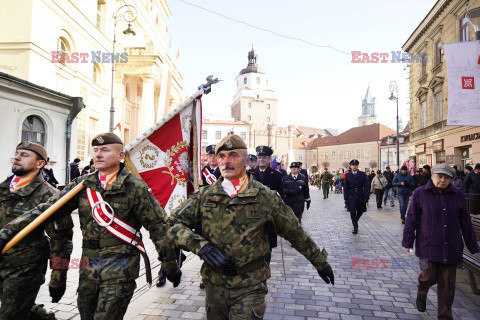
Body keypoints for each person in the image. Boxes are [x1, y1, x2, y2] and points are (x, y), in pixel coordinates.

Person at [0, 133, 181, 320]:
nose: (98, 154)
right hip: (88, 268)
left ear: (120, 156)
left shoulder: (135, 187)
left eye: (105, 150)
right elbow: (45, 211)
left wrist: (169, 262)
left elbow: (158, 227)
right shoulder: (83, 184)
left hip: (120, 268)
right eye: (95, 150)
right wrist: (5, 234)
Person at [167, 135, 334, 320]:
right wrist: (199, 246)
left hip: (249, 286)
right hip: (215, 286)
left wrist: (320, 262)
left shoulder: (264, 196)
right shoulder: (205, 196)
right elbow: (172, 224)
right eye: (221, 156)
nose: (226, 161)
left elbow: (294, 232)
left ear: (246, 161)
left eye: (233, 155)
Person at [0, 142, 73, 319]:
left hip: (24, 268)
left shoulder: (50, 196)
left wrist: (58, 278)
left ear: (40, 164)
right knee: (21, 308)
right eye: (17, 153)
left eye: (24, 155)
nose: (17, 157)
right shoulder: (3, 188)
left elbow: (61, 242)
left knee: (11, 314)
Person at [402, 164, 480, 319]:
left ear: (451, 179)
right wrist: (408, 241)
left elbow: (465, 222)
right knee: (428, 276)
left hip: (452, 246)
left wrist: (473, 245)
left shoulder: (458, 195)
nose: (442, 180)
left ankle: (444, 315)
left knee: (447, 284)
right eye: (439, 176)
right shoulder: (419, 193)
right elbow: (411, 219)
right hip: (426, 246)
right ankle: (421, 291)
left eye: (447, 178)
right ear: (432, 175)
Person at [251, 146, 285, 259]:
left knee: (267, 248)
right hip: (251, 216)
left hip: (268, 216)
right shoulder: (249, 174)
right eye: (259, 157)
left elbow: (281, 196)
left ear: (269, 159)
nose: (261, 160)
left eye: (264, 157)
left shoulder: (276, 175)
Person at [343, 159, 370, 234]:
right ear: (350, 166)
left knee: (360, 210)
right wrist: (345, 198)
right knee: (352, 211)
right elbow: (345, 187)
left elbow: (366, 186)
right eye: (353, 165)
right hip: (351, 194)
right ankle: (355, 226)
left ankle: (355, 221)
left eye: (356, 165)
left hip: (360, 194)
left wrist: (366, 197)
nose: (355, 167)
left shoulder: (362, 174)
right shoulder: (347, 175)